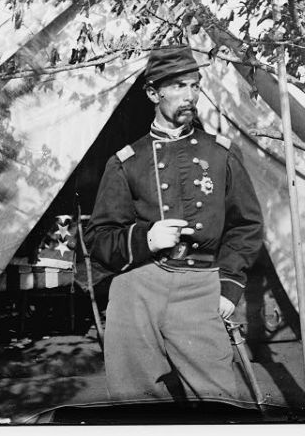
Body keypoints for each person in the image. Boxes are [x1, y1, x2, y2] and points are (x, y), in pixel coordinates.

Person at [85, 45, 263, 403]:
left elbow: (246, 225)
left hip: (201, 286)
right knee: (136, 400)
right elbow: (99, 238)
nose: (190, 95)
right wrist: (145, 239)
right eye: (179, 86)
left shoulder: (220, 153)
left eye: (194, 85)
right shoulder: (126, 162)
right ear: (154, 93)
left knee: (218, 400)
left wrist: (229, 285)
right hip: (138, 287)